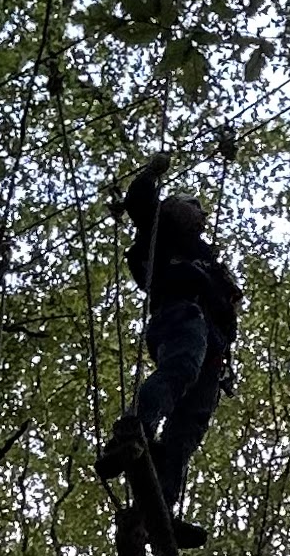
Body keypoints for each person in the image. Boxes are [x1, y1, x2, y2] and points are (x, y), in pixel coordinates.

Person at [97, 160, 239, 531]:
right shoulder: (162, 230)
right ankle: (136, 431)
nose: (202, 215)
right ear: (175, 207)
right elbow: (140, 202)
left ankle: (159, 507)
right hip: (180, 314)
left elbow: (227, 308)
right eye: (195, 207)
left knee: (189, 427)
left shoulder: (205, 257)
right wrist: (151, 173)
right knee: (181, 368)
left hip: (214, 345)